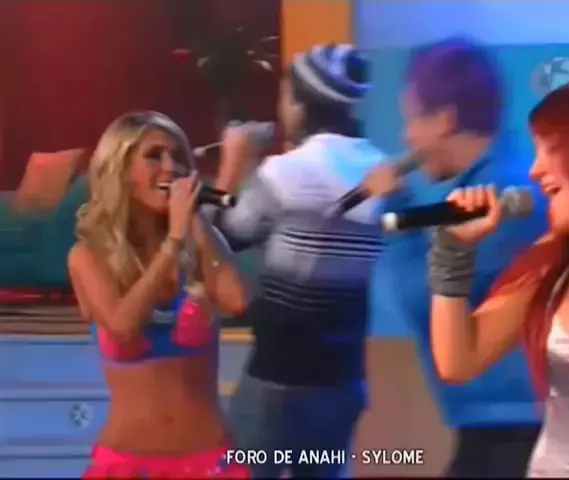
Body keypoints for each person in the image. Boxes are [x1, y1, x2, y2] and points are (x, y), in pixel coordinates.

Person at [363, 38, 547, 478]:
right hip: (504, 424)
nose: (406, 137)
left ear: (444, 120)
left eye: (412, 120)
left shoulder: (502, 198)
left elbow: (425, 300)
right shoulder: (501, 179)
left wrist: (393, 205)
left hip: (515, 430)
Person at [428, 73, 569, 477]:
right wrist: (453, 250)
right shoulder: (554, 262)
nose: (534, 172)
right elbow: (457, 361)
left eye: (552, 149)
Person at [203, 44, 384, 478]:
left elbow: (222, 238)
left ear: (301, 103)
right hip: (344, 379)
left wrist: (233, 162)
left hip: (277, 378)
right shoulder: (381, 169)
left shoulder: (284, 173)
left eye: (285, 95)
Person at [67, 111, 250, 478]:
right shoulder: (88, 256)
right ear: (120, 170)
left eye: (178, 157)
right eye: (154, 156)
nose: (171, 167)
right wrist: (173, 242)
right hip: (125, 466)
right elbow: (122, 327)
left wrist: (195, 222)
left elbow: (238, 301)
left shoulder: (198, 241)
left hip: (211, 463)